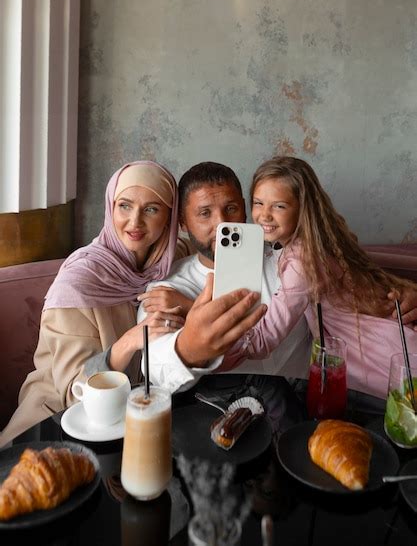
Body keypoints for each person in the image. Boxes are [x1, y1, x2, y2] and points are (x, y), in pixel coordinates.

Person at [0, 160, 265, 447]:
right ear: (110, 207)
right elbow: (73, 394)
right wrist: (129, 341)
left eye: (151, 209)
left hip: (136, 416)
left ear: (171, 218)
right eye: (124, 206)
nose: (135, 222)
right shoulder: (79, 282)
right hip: (57, 424)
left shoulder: (173, 255)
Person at [220, 156, 417, 398]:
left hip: (378, 354)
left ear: (302, 208)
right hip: (389, 338)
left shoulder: (302, 261)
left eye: (279, 206)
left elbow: (262, 340)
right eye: (258, 203)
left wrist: (201, 346)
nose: (264, 215)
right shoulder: (316, 239)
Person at [138, 162, 312, 393]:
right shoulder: (168, 289)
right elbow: (156, 370)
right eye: (204, 213)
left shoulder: (289, 261)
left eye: (231, 208)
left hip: (302, 411)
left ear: (245, 209)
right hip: (217, 414)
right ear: (182, 222)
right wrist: (188, 347)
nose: (222, 223)